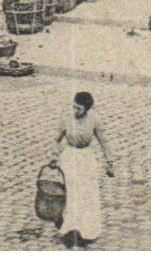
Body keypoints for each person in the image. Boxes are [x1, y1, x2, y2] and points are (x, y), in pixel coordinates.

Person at [53, 91, 116, 248]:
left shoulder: (94, 120)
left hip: (86, 158)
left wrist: (110, 162)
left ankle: (87, 230)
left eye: (79, 109)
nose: (75, 111)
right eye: (74, 107)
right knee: (72, 193)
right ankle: (69, 229)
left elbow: (103, 141)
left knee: (87, 194)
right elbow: (56, 139)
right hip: (70, 157)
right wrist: (54, 156)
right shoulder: (66, 118)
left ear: (87, 109)